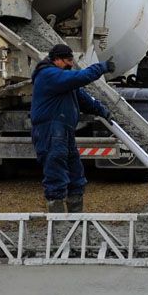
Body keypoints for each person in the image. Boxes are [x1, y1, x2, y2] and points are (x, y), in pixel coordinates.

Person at [31, 44, 115, 213]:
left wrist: (101, 110)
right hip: (51, 130)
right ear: (57, 59)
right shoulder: (48, 74)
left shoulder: (61, 80)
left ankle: (75, 216)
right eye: (68, 60)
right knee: (55, 169)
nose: (71, 64)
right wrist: (101, 68)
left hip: (63, 130)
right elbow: (79, 77)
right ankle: (57, 218)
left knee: (75, 171)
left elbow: (82, 97)